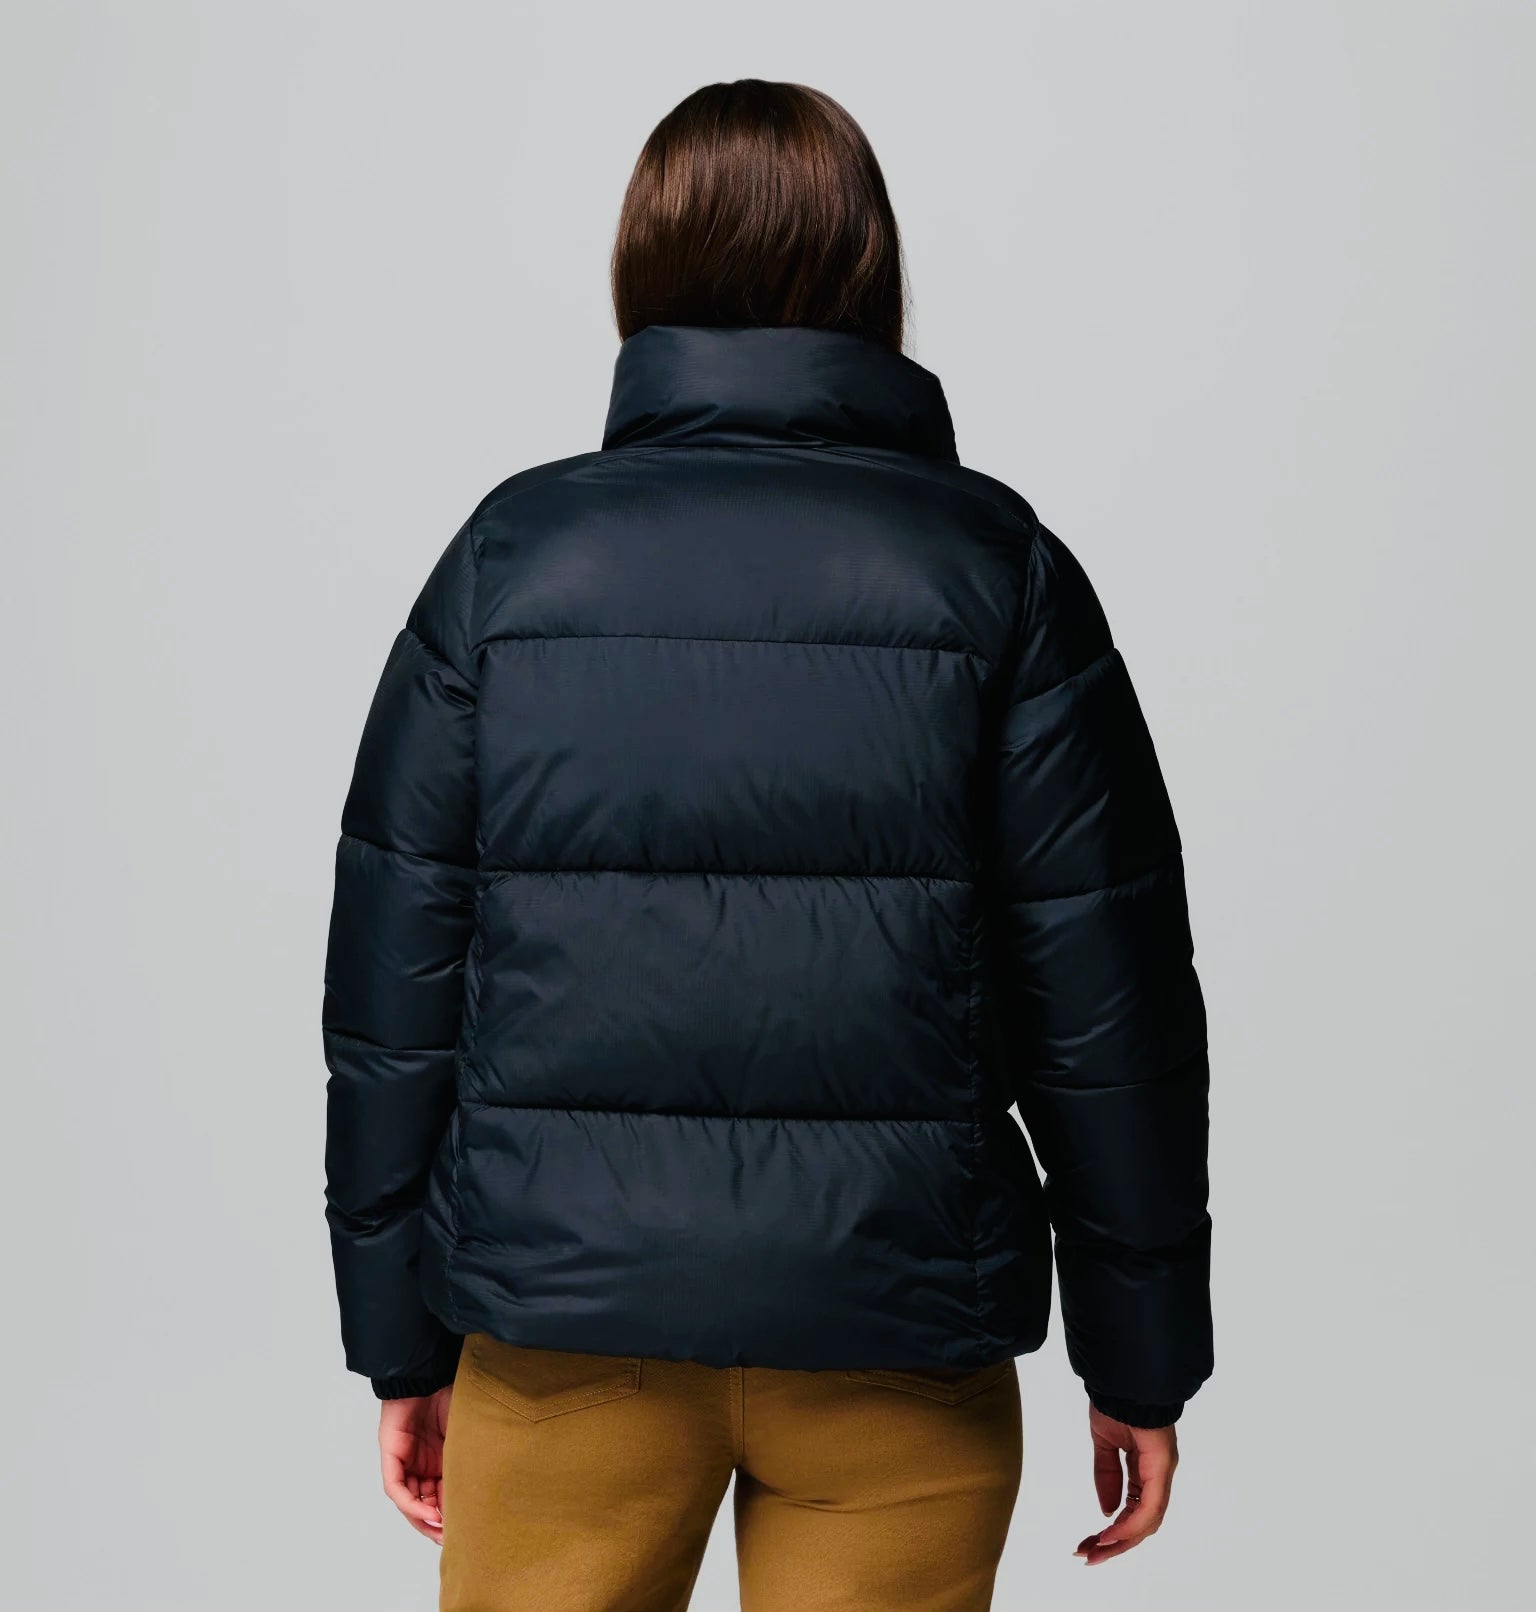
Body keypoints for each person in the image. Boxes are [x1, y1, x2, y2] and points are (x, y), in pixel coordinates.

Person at [322, 79, 1212, 1612]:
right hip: (898, 1337)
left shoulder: (510, 563)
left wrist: (400, 1340)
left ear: (641, 275)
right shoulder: (997, 570)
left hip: (562, 1338)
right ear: (872, 278)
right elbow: (1109, 1008)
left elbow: (394, 995)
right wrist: (1140, 1361)